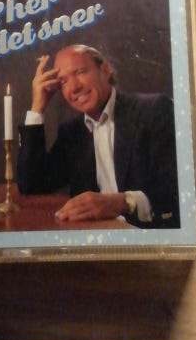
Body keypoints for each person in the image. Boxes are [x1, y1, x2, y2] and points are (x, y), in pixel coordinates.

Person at [17, 44, 180, 228]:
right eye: (63, 81)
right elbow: (31, 185)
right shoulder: (72, 133)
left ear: (105, 69)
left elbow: (177, 192)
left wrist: (121, 202)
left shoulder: (154, 110)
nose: (74, 87)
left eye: (80, 72)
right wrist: (37, 108)